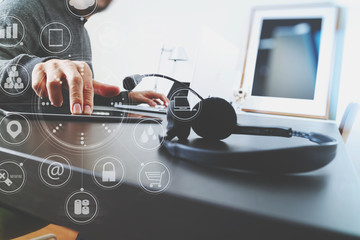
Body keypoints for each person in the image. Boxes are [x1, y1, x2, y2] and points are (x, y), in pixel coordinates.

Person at [0, 0, 169, 115]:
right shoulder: (22, 6)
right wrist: (35, 69)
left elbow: (69, 99)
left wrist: (124, 98)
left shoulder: (79, 28)